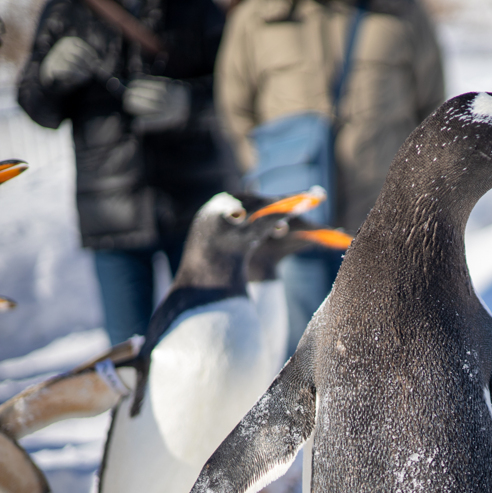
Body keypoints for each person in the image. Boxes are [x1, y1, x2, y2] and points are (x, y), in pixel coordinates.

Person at [215, 0, 445, 354]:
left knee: (382, 350)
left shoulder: (403, 13)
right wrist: (271, 178)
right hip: (297, 224)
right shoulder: (258, 16)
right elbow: (235, 110)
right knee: (305, 351)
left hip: (380, 223)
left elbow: (432, 111)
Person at [18, 0, 230, 346]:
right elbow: (35, 105)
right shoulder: (66, 9)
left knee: (212, 340)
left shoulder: (196, 7)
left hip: (194, 208)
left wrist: (187, 104)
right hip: (109, 211)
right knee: (128, 356)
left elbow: (237, 85)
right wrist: (49, 76)